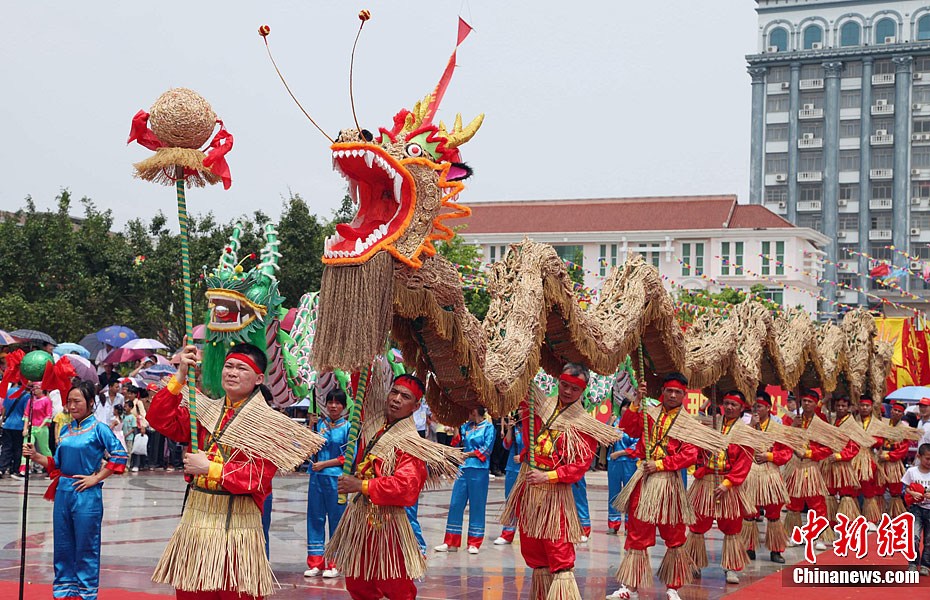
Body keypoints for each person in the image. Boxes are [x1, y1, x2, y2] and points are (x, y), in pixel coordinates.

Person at [147, 342, 309, 600]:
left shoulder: (269, 424)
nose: (232, 372)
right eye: (228, 366)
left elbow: (257, 478)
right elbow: (160, 419)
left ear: (258, 378)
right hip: (196, 521)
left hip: (238, 527)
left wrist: (209, 468)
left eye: (242, 368)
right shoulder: (205, 411)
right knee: (192, 593)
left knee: (237, 593)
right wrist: (179, 377)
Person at [325, 374, 462, 600]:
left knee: (395, 585)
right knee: (358, 583)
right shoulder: (375, 425)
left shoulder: (411, 443)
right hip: (359, 519)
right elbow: (363, 387)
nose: (396, 399)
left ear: (416, 406)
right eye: (394, 392)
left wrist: (362, 485)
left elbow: (406, 487)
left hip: (387, 524)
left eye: (405, 396)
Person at [503, 363, 620, 600]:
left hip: (554, 493)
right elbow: (520, 394)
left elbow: (579, 466)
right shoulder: (540, 405)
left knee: (558, 548)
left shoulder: (584, 424)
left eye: (574, 389)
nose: (567, 391)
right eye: (565, 385)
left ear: (583, 390)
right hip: (529, 489)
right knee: (532, 548)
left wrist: (548, 476)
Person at [608, 372, 725, 600]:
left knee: (674, 536)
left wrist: (660, 464)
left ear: (684, 395)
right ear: (662, 391)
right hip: (644, 483)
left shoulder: (688, 424)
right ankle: (629, 587)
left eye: (678, 392)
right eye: (669, 390)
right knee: (637, 533)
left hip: (669, 485)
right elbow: (629, 430)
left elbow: (689, 455)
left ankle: (673, 588)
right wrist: (636, 403)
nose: (672, 395)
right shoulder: (649, 414)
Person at [22, 380, 128, 600]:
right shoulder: (66, 429)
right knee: (62, 544)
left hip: (86, 495)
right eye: (69, 402)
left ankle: (86, 593)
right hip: (63, 492)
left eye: (77, 401)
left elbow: (120, 456)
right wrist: (35, 456)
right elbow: (56, 464)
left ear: (90, 403)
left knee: (86, 546)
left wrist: (96, 478)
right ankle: (63, 592)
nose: (71, 406)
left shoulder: (99, 429)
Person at [682, 391, 754, 585]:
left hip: (729, 484)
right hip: (706, 480)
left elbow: (744, 463)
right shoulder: (712, 424)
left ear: (741, 408)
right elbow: (698, 449)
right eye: (727, 403)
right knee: (698, 523)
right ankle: (693, 562)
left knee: (731, 526)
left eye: (734, 405)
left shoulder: (746, 433)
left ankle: (731, 567)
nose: (729, 408)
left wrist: (727, 483)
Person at [436, 406, 495, 554]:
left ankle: (474, 542)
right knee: (456, 503)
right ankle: (450, 541)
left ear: (474, 411)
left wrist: (469, 454)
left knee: (477, 505)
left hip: (479, 470)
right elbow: (456, 442)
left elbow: (487, 449)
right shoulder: (466, 426)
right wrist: (456, 424)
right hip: (463, 469)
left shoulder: (489, 427)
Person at [742, 390, 791, 564]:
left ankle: (776, 550)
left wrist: (769, 456)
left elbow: (786, 453)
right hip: (751, 473)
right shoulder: (746, 424)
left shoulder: (778, 429)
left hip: (771, 473)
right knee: (749, 512)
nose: (756, 410)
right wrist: (750, 428)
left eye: (760, 407)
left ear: (769, 408)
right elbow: (737, 447)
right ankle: (749, 547)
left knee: (774, 513)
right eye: (754, 406)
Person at [305, 388, 349, 578]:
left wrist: (325, 463)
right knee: (315, 518)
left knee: (337, 520)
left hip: (337, 479)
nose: (333, 406)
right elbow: (307, 446)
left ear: (343, 407)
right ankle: (315, 562)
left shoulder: (348, 427)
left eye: (337, 403)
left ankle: (335, 562)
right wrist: (309, 426)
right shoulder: (319, 424)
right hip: (316, 478)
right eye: (330, 402)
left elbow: (348, 456)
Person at [783, 391, 834, 552]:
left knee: (817, 502)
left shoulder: (821, 422)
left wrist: (810, 453)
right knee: (793, 503)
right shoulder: (792, 418)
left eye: (810, 401)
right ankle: (794, 534)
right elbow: (782, 440)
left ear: (816, 403)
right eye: (804, 400)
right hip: (794, 465)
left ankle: (819, 536)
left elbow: (827, 447)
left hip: (811, 466)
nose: (806, 404)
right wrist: (792, 428)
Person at [821, 397, 862, 523]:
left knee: (846, 495)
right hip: (830, 464)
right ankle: (830, 523)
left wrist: (840, 456)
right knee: (830, 494)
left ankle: (848, 524)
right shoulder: (833, 421)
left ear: (848, 407)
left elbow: (854, 446)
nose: (840, 408)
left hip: (843, 465)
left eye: (843, 406)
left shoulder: (852, 424)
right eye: (838, 405)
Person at [607, 404, 638, 535]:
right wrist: (609, 424)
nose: (626, 408)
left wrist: (620, 453)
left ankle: (629, 524)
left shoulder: (635, 424)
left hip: (630, 462)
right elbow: (604, 440)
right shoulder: (615, 422)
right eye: (624, 406)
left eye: (629, 406)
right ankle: (613, 523)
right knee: (613, 493)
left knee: (629, 494)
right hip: (614, 463)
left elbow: (637, 444)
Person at [494, 411, 524, 545]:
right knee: (510, 501)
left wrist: (523, 457)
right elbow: (506, 445)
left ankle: (529, 534)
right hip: (512, 469)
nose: (521, 412)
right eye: (519, 409)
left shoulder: (534, 427)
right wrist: (510, 429)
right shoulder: (516, 427)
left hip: (527, 469)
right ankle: (507, 533)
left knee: (529, 502)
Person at [902, 443, 930, 575]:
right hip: (916, 509)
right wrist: (912, 494)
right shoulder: (911, 471)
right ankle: (913, 563)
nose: (929, 462)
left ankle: (925, 564)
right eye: (927, 458)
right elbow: (905, 488)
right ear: (919, 456)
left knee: (929, 540)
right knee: (914, 536)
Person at [20, 382, 53, 476]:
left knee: (44, 449)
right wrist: (25, 428)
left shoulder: (47, 400)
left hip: (42, 428)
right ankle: (24, 469)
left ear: (42, 389)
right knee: (26, 446)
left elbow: (48, 415)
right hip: (32, 427)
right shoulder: (30, 400)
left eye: (37, 387)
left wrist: (41, 426)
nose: (35, 389)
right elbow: (26, 414)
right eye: (34, 388)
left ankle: (51, 468)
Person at [1, 382, 31, 479]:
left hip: (8, 424)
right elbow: (26, 411)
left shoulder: (9, 391)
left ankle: (2, 468)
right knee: (18, 448)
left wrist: (2, 420)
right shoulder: (26, 396)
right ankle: (15, 469)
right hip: (19, 425)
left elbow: (4, 408)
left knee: (6, 447)